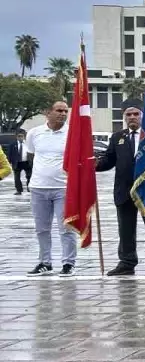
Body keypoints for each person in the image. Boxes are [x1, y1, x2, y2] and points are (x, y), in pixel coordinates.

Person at [95, 98, 145, 277]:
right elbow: (108, 161)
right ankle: (127, 262)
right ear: (124, 117)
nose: (132, 117)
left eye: (136, 114)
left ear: (142, 116)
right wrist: (92, 165)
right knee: (125, 230)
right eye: (129, 114)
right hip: (124, 191)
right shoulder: (117, 137)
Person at [25, 100, 76, 275]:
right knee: (42, 228)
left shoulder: (72, 132)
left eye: (65, 111)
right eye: (59, 110)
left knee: (66, 228)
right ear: (48, 112)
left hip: (63, 188)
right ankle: (45, 262)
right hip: (39, 187)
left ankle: (68, 263)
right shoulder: (34, 133)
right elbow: (31, 155)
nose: (63, 114)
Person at [5, 129, 29, 194]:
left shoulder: (28, 144)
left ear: (24, 136)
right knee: (17, 177)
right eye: (19, 136)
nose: (20, 137)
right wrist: (9, 162)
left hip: (27, 162)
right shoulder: (12, 144)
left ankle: (29, 188)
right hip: (17, 163)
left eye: (22, 136)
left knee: (29, 176)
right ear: (16, 137)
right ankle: (19, 190)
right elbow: (10, 154)